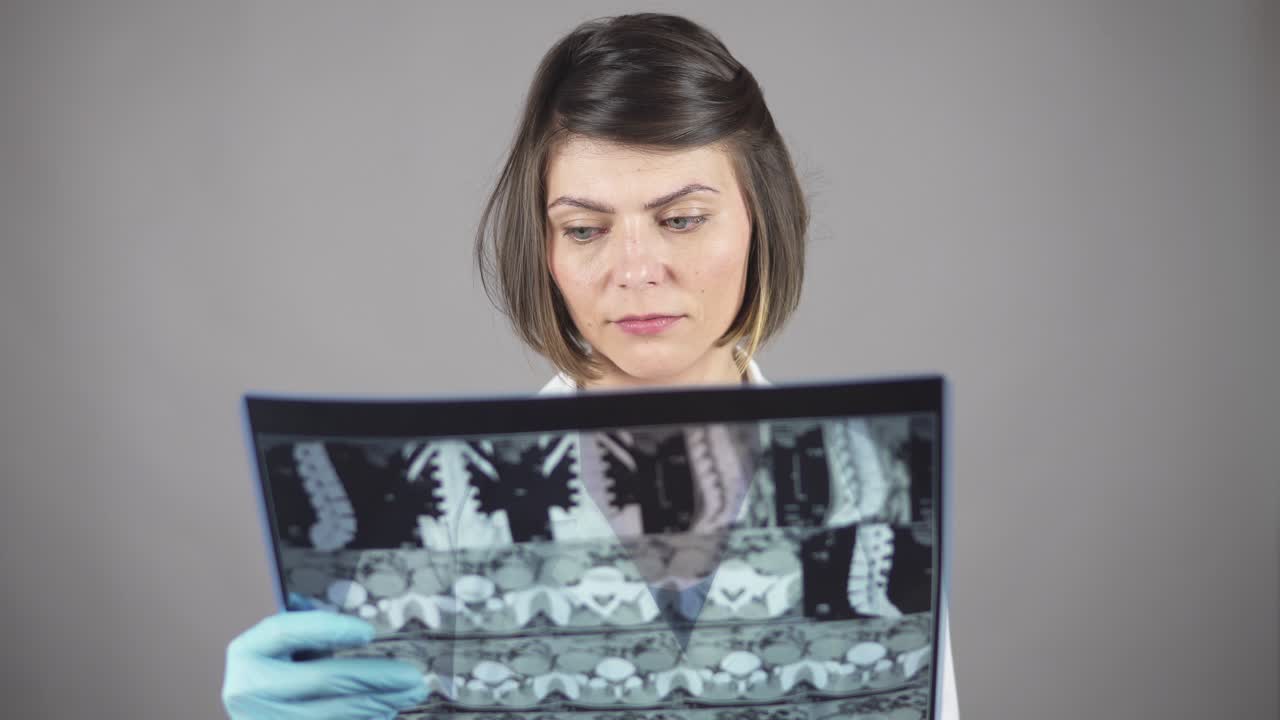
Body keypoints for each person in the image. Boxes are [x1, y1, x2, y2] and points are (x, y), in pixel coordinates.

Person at [222, 12, 959, 719]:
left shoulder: (874, 492)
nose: (634, 271)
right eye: (583, 229)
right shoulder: (432, 516)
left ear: (761, 219)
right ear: (543, 248)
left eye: (681, 219)